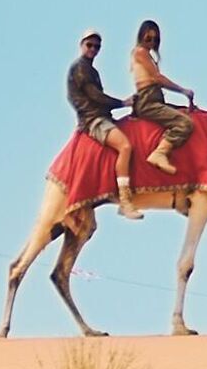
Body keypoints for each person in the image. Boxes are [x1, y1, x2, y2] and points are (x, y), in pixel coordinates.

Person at [66, 31, 142, 220]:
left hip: (102, 117)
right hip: (94, 120)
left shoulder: (91, 70)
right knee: (125, 146)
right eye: (90, 45)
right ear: (81, 44)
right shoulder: (81, 68)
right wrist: (123, 103)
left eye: (97, 46)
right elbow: (95, 97)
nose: (93, 49)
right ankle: (125, 201)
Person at [128, 18, 197, 176]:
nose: (151, 42)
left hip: (156, 98)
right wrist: (183, 90)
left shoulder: (148, 55)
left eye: (155, 39)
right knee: (185, 123)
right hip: (148, 101)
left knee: (188, 112)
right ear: (141, 36)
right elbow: (157, 78)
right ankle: (160, 153)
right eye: (148, 38)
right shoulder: (140, 52)